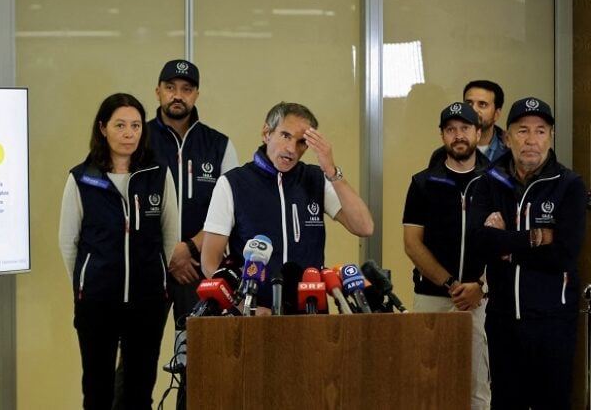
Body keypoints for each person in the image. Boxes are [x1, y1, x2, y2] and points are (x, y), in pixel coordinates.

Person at [59, 93, 180, 410]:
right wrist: (88, 282)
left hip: (147, 301)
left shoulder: (157, 174)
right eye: (120, 125)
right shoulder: (82, 179)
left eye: (136, 125)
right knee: (97, 390)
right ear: (103, 128)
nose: (129, 133)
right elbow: (68, 242)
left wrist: (163, 286)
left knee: (139, 391)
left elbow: (171, 235)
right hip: (98, 302)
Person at [468, 97, 587, 410]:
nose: (531, 140)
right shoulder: (488, 183)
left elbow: (564, 254)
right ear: (507, 137)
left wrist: (506, 246)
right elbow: (480, 241)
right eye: (522, 131)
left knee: (552, 402)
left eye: (540, 131)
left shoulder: (569, 185)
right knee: (506, 401)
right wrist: (535, 237)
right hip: (502, 318)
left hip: (553, 319)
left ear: (550, 137)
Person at [200, 101, 374, 308]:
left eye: (301, 142)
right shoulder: (232, 183)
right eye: (285, 136)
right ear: (266, 133)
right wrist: (243, 307)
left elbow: (364, 227)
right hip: (254, 313)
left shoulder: (316, 179)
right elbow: (209, 261)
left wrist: (331, 171)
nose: (291, 149)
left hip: (310, 312)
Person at [148, 59, 238, 372]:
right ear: (157, 91)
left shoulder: (219, 145)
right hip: (149, 270)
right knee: (136, 366)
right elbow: (126, 210)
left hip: (199, 271)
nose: (177, 95)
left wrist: (189, 249)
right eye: (170, 88)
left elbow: (230, 212)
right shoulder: (138, 142)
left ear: (196, 95)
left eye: (186, 89)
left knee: (196, 367)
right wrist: (169, 252)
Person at [402, 102, 491, 410]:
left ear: (478, 133)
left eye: (465, 128)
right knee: (428, 383)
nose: (458, 136)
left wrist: (481, 286)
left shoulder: (498, 182)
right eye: (451, 130)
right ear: (442, 136)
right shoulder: (423, 183)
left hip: (481, 300)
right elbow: (413, 244)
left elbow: (505, 244)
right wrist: (452, 284)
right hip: (432, 297)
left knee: (477, 390)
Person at [463, 80, 507, 162]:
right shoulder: (449, 150)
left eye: (482, 104)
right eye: (468, 103)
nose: (473, 109)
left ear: (496, 114)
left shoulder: (509, 151)